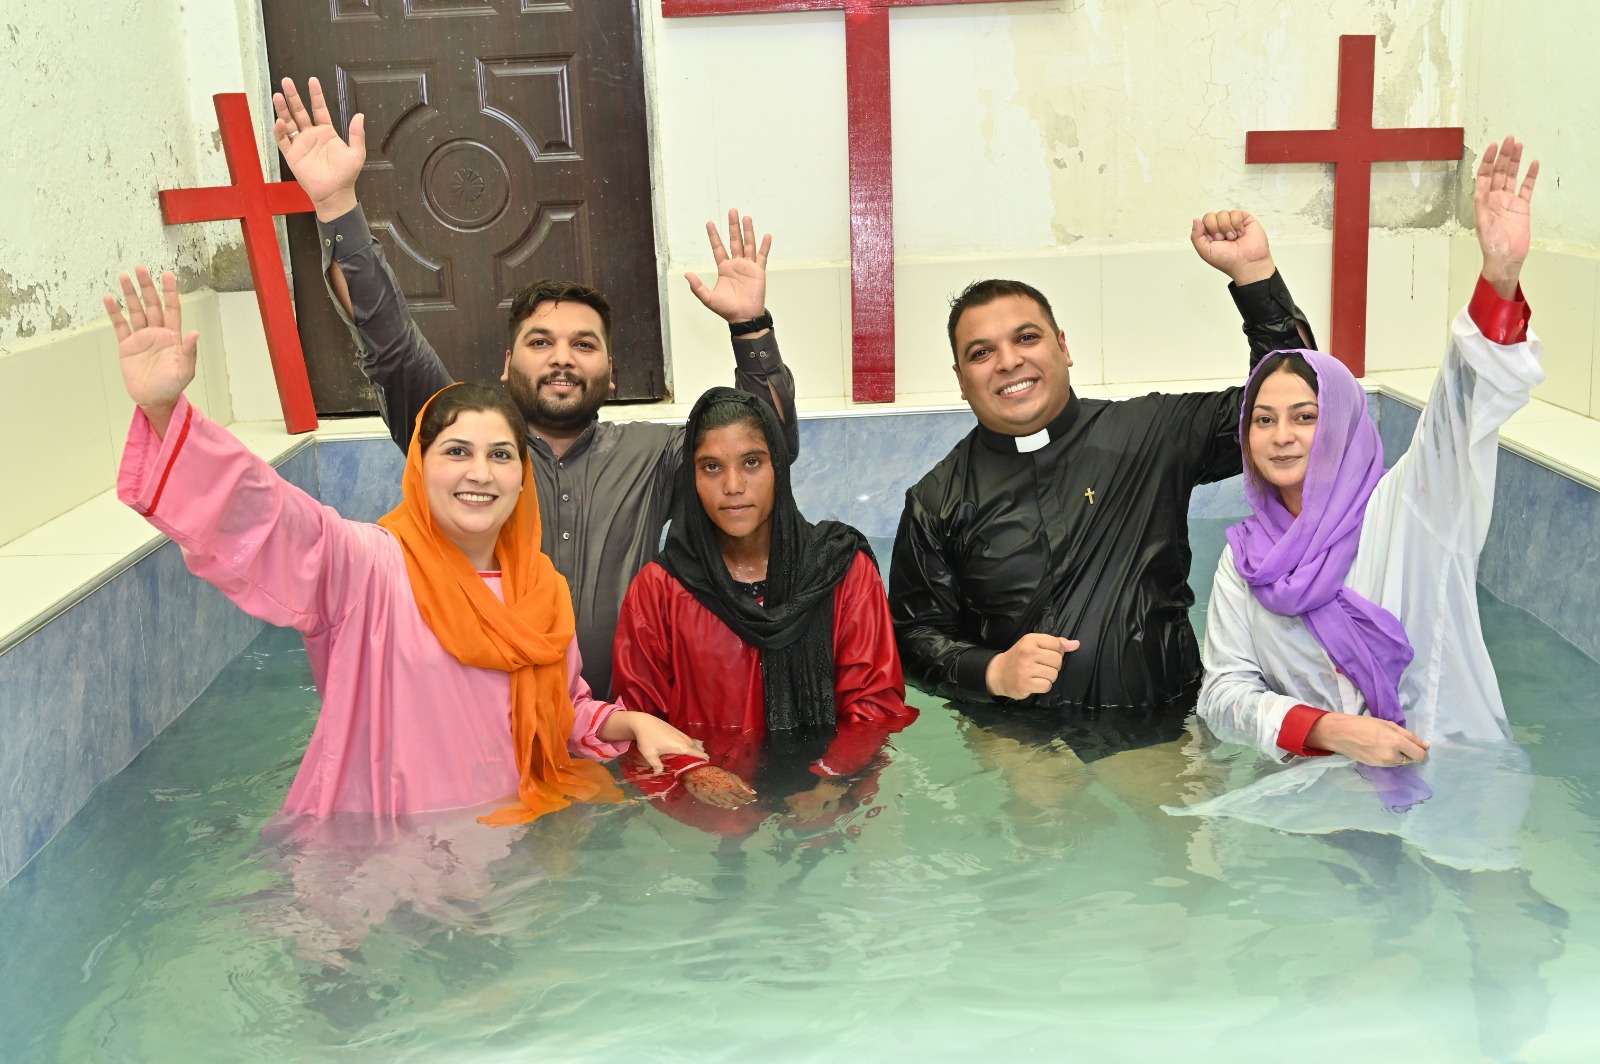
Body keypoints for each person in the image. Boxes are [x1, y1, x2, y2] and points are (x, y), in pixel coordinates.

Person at [107, 266, 702, 824]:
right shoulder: (367, 568)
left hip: (506, 850)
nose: (479, 473)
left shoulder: (541, 594)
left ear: (522, 477)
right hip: (376, 858)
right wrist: (165, 410)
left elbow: (562, 709)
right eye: (456, 452)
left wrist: (630, 723)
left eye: (500, 455)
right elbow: (268, 513)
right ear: (419, 466)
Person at [272, 76, 799, 699]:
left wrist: (750, 327)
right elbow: (391, 345)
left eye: (584, 345)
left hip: (622, 720)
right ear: (506, 364)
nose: (562, 359)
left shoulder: (656, 456)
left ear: (612, 373)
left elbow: (766, 448)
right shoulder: (464, 443)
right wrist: (338, 208)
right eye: (541, 342)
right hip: (484, 721)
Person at [1189, 135, 1543, 824]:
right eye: (1263, 419)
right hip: (1322, 791)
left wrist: (1499, 277)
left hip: (1454, 783)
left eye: (1305, 416)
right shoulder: (1247, 559)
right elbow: (1223, 694)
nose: (1282, 436)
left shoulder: (1406, 511)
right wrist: (1330, 731)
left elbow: (1457, 416)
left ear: (1344, 426)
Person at [889, 211, 1315, 751]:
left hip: (1158, 725)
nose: (1008, 361)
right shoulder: (936, 500)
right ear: (961, 378)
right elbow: (913, 637)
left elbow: (1291, 402)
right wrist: (991, 671)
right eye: (981, 352)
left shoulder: (1150, 433)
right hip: (1018, 736)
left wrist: (1254, 277)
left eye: (1026, 337)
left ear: (1063, 347)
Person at [611, 387, 917, 832]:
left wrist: (829, 784)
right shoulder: (658, 589)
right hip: (711, 806)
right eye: (711, 467)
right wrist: (693, 771)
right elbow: (639, 722)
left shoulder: (841, 570)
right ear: (691, 479)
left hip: (829, 796)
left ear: (779, 468)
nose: (733, 486)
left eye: (752, 462)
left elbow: (875, 707)